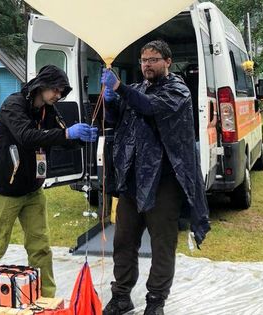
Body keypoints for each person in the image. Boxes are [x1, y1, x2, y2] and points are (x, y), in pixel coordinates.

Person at [0, 65, 98, 315]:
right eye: (56, 90)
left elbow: (55, 137)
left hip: (32, 191)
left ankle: (46, 302)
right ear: (41, 85)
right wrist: (66, 133)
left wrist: (79, 139)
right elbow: (26, 136)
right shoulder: (13, 105)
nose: (58, 96)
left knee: (40, 247)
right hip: (3, 191)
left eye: (62, 92)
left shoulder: (49, 110)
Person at [100, 40, 211, 315]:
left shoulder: (178, 90)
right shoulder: (136, 88)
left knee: (163, 244)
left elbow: (149, 107)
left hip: (164, 183)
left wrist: (118, 88)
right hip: (132, 182)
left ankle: (156, 301)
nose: (147, 65)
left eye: (153, 59)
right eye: (143, 60)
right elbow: (118, 120)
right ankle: (121, 295)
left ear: (167, 62)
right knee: (123, 241)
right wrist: (111, 103)